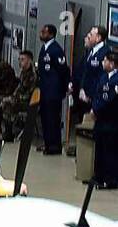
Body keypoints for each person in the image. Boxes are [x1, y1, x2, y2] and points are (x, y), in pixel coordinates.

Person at [70, 25, 110, 157]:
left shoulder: (105, 54)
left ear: (98, 38)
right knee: (83, 124)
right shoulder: (90, 51)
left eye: (91, 34)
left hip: (93, 98)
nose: (88, 36)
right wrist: (79, 88)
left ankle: (88, 155)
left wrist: (90, 95)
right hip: (83, 95)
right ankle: (82, 152)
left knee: (92, 128)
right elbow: (84, 73)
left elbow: (101, 78)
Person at [36, 23, 69, 155]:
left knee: (52, 119)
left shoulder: (56, 50)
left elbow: (63, 70)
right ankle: (48, 143)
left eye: (44, 32)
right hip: (44, 90)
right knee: (45, 118)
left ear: (50, 34)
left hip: (53, 92)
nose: (41, 34)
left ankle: (55, 146)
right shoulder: (44, 48)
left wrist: (64, 88)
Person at [91, 52, 118, 189]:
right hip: (100, 120)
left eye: (105, 61)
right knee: (99, 150)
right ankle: (98, 177)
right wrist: (94, 109)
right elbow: (97, 95)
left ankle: (110, 180)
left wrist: (97, 110)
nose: (102, 62)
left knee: (110, 152)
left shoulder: (116, 80)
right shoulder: (103, 77)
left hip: (111, 121)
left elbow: (109, 100)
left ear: (112, 64)